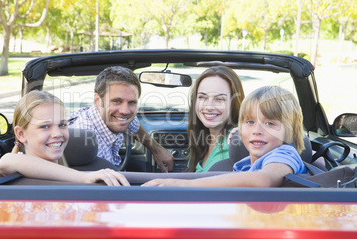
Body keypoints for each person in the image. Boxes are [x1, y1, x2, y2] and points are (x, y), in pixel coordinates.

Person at [143, 86, 307, 187]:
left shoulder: (284, 155)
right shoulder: (244, 164)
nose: (257, 130)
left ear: (290, 130)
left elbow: (263, 180)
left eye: (270, 124)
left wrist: (187, 185)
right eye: (250, 122)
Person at [0, 90, 129, 186]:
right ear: (21, 134)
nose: (57, 133)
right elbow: (6, 162)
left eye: (62, 125)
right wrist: (84, 178)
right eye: (45, 126)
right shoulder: (14, 166)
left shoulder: (71, 175)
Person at [68, 66, 174, 172]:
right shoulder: (87, 144)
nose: (125, 111)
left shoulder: (106, 116)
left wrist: (156, 149)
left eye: (132, 102)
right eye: (117, 101)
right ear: (98, 100)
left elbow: (133, 124)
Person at [187, 66, 245, 172]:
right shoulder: (202, 137)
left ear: (234, 103)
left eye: (219, 99)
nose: (209, 107)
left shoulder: (237, 142)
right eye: (202, 97)